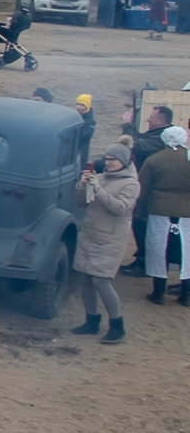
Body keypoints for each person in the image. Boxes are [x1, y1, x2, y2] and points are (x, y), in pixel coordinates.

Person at [71, 143, 139, 342]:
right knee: (84, 278)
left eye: (113, 160)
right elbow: (81, 203)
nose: (108, 163)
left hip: (110, 238)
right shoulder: (99, 177)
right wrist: (82, 185)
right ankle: (91, 321)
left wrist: (98, 189)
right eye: (107, 160)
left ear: (124, 162)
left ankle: (117, 326)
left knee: (101, 280)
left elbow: (121, 208)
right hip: (90, 234)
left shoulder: (131, 184)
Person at [136, 125, 190, 306]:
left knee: (158, 251)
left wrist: (136, 211)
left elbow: (141, 189)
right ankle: (187, 294)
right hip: (187, 212)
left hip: (159, 210)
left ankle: (158, 292)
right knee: (187, 252)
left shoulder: (154, 160)